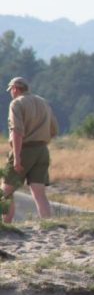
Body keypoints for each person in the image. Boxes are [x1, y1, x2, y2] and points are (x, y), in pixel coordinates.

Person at [2, 77, 58, 223]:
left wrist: (17, 157)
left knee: (6, 190)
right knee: (39, 193)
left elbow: (17, 131)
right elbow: (54, 129)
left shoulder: (16, 103)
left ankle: (6, 224)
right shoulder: (42, 102)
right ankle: (48, 225)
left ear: (15, 88)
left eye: (11, 90)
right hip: (42, 151)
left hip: (24, 149)